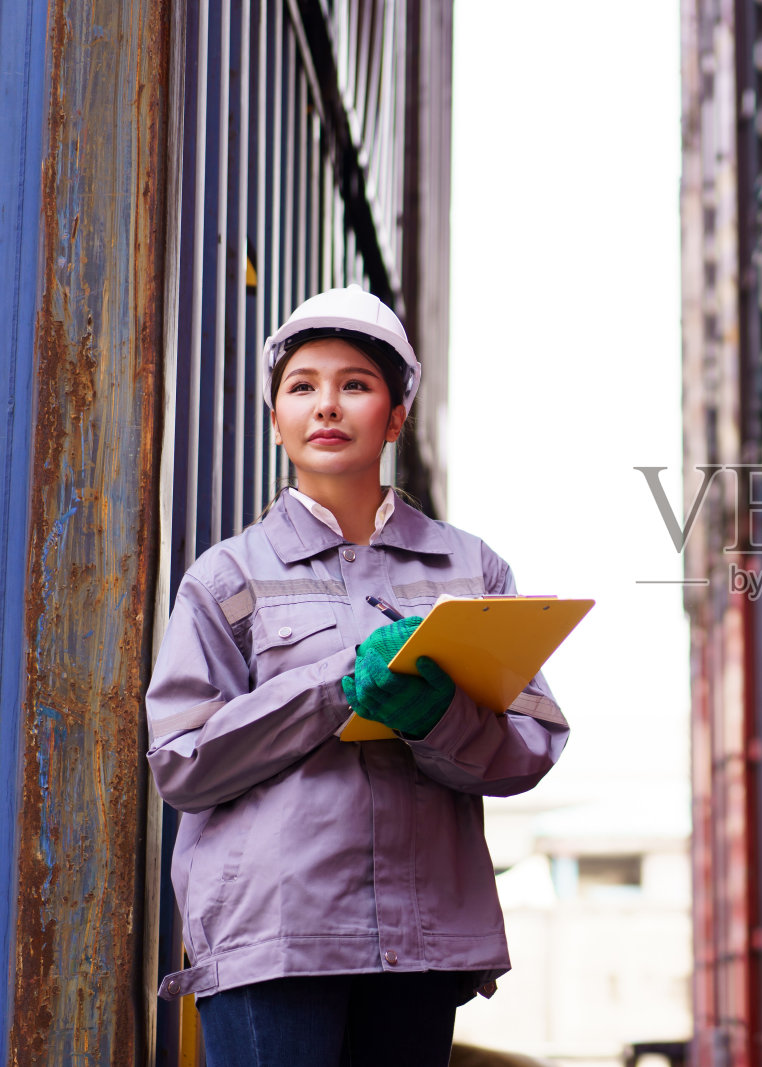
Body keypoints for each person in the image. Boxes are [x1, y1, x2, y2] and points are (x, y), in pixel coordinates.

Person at [146, 286, 569, 1066]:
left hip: (422, 939)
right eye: (302, 386)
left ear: (396, 415)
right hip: (276, 940)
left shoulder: (470, 570)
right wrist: (337, 684)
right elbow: (182, 762)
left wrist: (434, 716)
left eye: (356, 384)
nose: (326, 405)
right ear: (276, 420)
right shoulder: (227, 577)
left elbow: (531, 745)